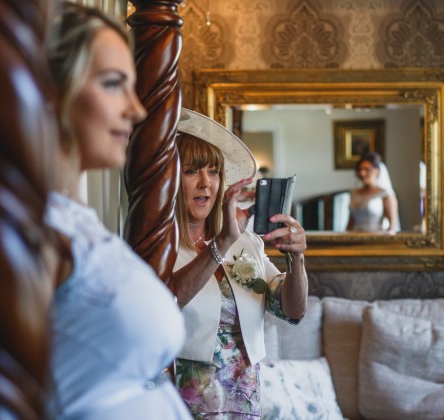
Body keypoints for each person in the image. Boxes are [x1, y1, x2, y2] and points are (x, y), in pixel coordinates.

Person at [44, 4, 192, 419]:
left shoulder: (78, 222)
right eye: (113, 84)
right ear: (51, 92)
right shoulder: (41, 234)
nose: (137, 109)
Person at [172, 109, 309, 418]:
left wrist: (297, 259)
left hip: (244, 395)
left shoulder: (246, 243)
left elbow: (291, 310)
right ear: (171, 180)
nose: (205, 183)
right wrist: (221, 242)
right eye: (192, 171)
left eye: (214, 171)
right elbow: (165, 303)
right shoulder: (160, 249)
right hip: (187, 394)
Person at [346, 152, 400, 233]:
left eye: (367, 169)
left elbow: (392, 226)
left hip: (376, 240)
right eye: (360, 169)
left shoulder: (386, 195)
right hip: (355, 238)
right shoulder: (354, 193)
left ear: (377, 171)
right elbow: (350, 223)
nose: (362, 173)